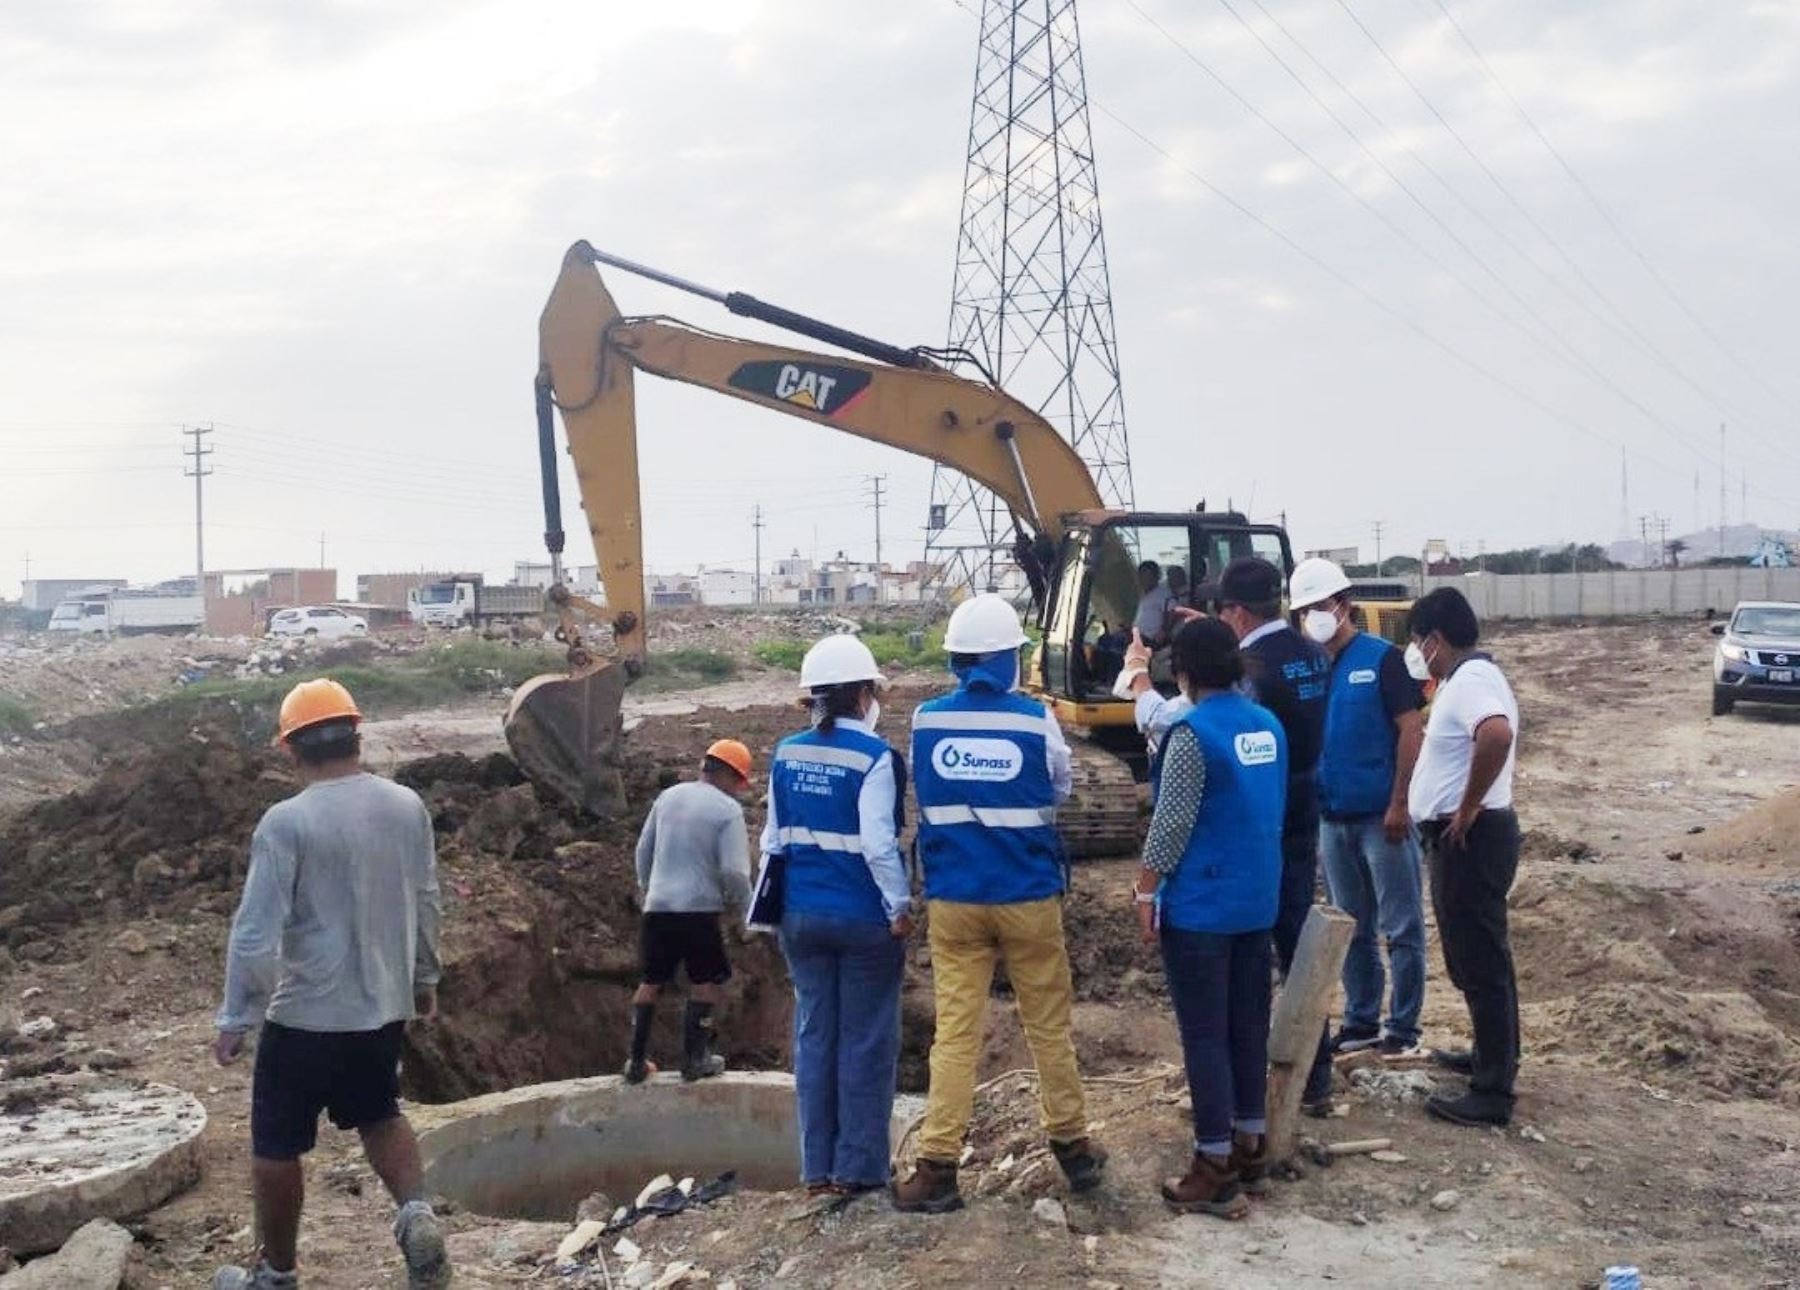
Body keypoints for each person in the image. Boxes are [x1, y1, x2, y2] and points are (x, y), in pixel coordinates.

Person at [212, 679, 448, 1290]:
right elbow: (427, 900)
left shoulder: (286, 822)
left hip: (306, 1017)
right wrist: (423, 976)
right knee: (380, 1113)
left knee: (276, 1144)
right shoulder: (406, 806)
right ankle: (416, 1214)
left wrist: (238, 1014)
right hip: (381, 1008)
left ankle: (278, 1275)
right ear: (356, 736)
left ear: (291, 749)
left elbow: (255, 933)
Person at [892, 594, 1106, 1213]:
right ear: (1006, 658)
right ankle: (1073, 1149)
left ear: (959, 660)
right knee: (1047, 1028)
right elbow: (1060, 785)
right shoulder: (1035, 719)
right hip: (1028, 897)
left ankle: (936, 1168)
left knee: (956, 1035)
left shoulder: (926, 720)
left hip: (955, 899)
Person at [1134, 619, 1286, 1216]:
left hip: (1203, 907)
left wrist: (1146, 891)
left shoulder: (1191, 733)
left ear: (1184, 673)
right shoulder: (1267, 727)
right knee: (1248, 1025)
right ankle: (1250, 1143)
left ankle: (1213, 1165)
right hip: (1256, 899)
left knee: (1205, 1034)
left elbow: (1170, 826)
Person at [763, 634, 912, 1197]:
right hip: (862, 920)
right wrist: (899, 906)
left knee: (815, 1039)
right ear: (863, 694)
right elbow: (878, 844)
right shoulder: (875, 757)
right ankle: (860, 1169)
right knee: (866, 1043)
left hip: (800, 917)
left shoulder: (786, 752)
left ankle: (816, 1170)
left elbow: (773, 840)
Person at [1289, 558, 1428, 1057]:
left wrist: (1399, 803)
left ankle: (1404, 1028)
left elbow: (1411, 730)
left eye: (1320, 607)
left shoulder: (1381, 660)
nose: (1313, 618)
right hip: (1334, 817)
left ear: (1343, 605)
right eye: (1303, 610)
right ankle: (1362, 1019)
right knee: (1352, 927)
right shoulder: (1309, 669)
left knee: (1402, 925)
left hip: (1381, 818)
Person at [1214, 556, 1335, 1109]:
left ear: (1236, 612)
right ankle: (1317, 1067)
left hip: (1265, 812)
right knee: (1297, 936)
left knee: (1254, 943)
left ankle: (1280, 1075)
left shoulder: (1249, 670)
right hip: (1307, 799)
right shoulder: (1310, 653)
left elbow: (1237, 743)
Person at [1406, 588, 1522, 1128]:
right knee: (1473, 956)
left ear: (1435, 639)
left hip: (1471, 840)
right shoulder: (1466, 678)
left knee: (1481, 960)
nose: (1416, 651)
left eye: (1417, 640)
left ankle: (1493, 1089)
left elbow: (1495, 734)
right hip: (1464, 837)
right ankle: (1487, 1056)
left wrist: (1469, 806)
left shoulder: (1472, 680)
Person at [628, 738, 756, 1084]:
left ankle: (636, 1062)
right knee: (706, 981)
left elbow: (644, 850)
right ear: (731, 776)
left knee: (651, 981)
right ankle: (694, 1059)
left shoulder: (668, 797)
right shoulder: (727, 810)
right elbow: (734, 872)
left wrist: (647, 889)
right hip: (698, 910)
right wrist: (747, 910)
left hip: (658, 905)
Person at [1134, 560, 1176, 646]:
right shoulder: (1142, 594)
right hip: (1135, 636)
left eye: (1147, 575)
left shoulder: (1163, 593)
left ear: (1156, 576)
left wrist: (1163, 631)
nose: (1144, 579)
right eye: (1141, 575)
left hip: (1151, 639)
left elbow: (1172, 612)